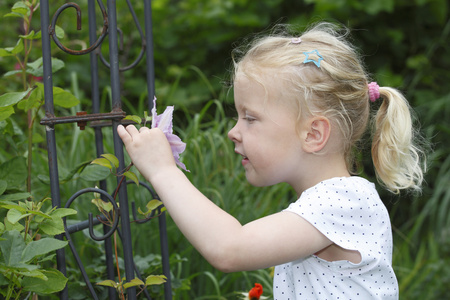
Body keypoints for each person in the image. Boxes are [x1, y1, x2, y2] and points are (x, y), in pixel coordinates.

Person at [117, 22, 426, 299]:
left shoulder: (344, 201)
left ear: (313, 134)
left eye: (250, 118)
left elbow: (229, 249)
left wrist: (162, 170)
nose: (232, 131)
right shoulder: (326, 204)